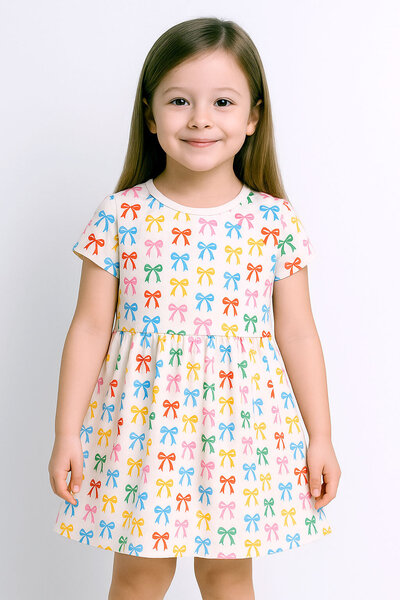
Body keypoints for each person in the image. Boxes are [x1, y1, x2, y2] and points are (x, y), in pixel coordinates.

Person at [48, 16, 341, 600]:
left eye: (223, 102)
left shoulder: (273, 222)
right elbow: (89, 328)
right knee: (140, 575)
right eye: (180, 100)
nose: (201, 118)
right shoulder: (121, 216)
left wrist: (321, 437)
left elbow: (298, 334)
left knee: (227, 576)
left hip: (239, 430)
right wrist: (66, 433)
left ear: (253, 117)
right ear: (150, 114)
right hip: (142, 427)